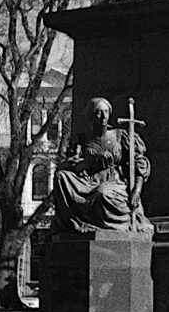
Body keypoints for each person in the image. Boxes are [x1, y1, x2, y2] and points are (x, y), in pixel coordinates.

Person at [52, 97, 152, 234]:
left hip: (113, 181)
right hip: (87, 180)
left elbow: (139, 162)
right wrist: (89, 162)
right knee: (60, 177)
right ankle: (74, 223)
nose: (104, 116)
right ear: (91, 116)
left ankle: (110, 226)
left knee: (101, 193)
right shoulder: (82, 139)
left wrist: (137, 190)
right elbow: (70, 163)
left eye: (106, 112)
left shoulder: (120, 136)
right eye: (99, 112)